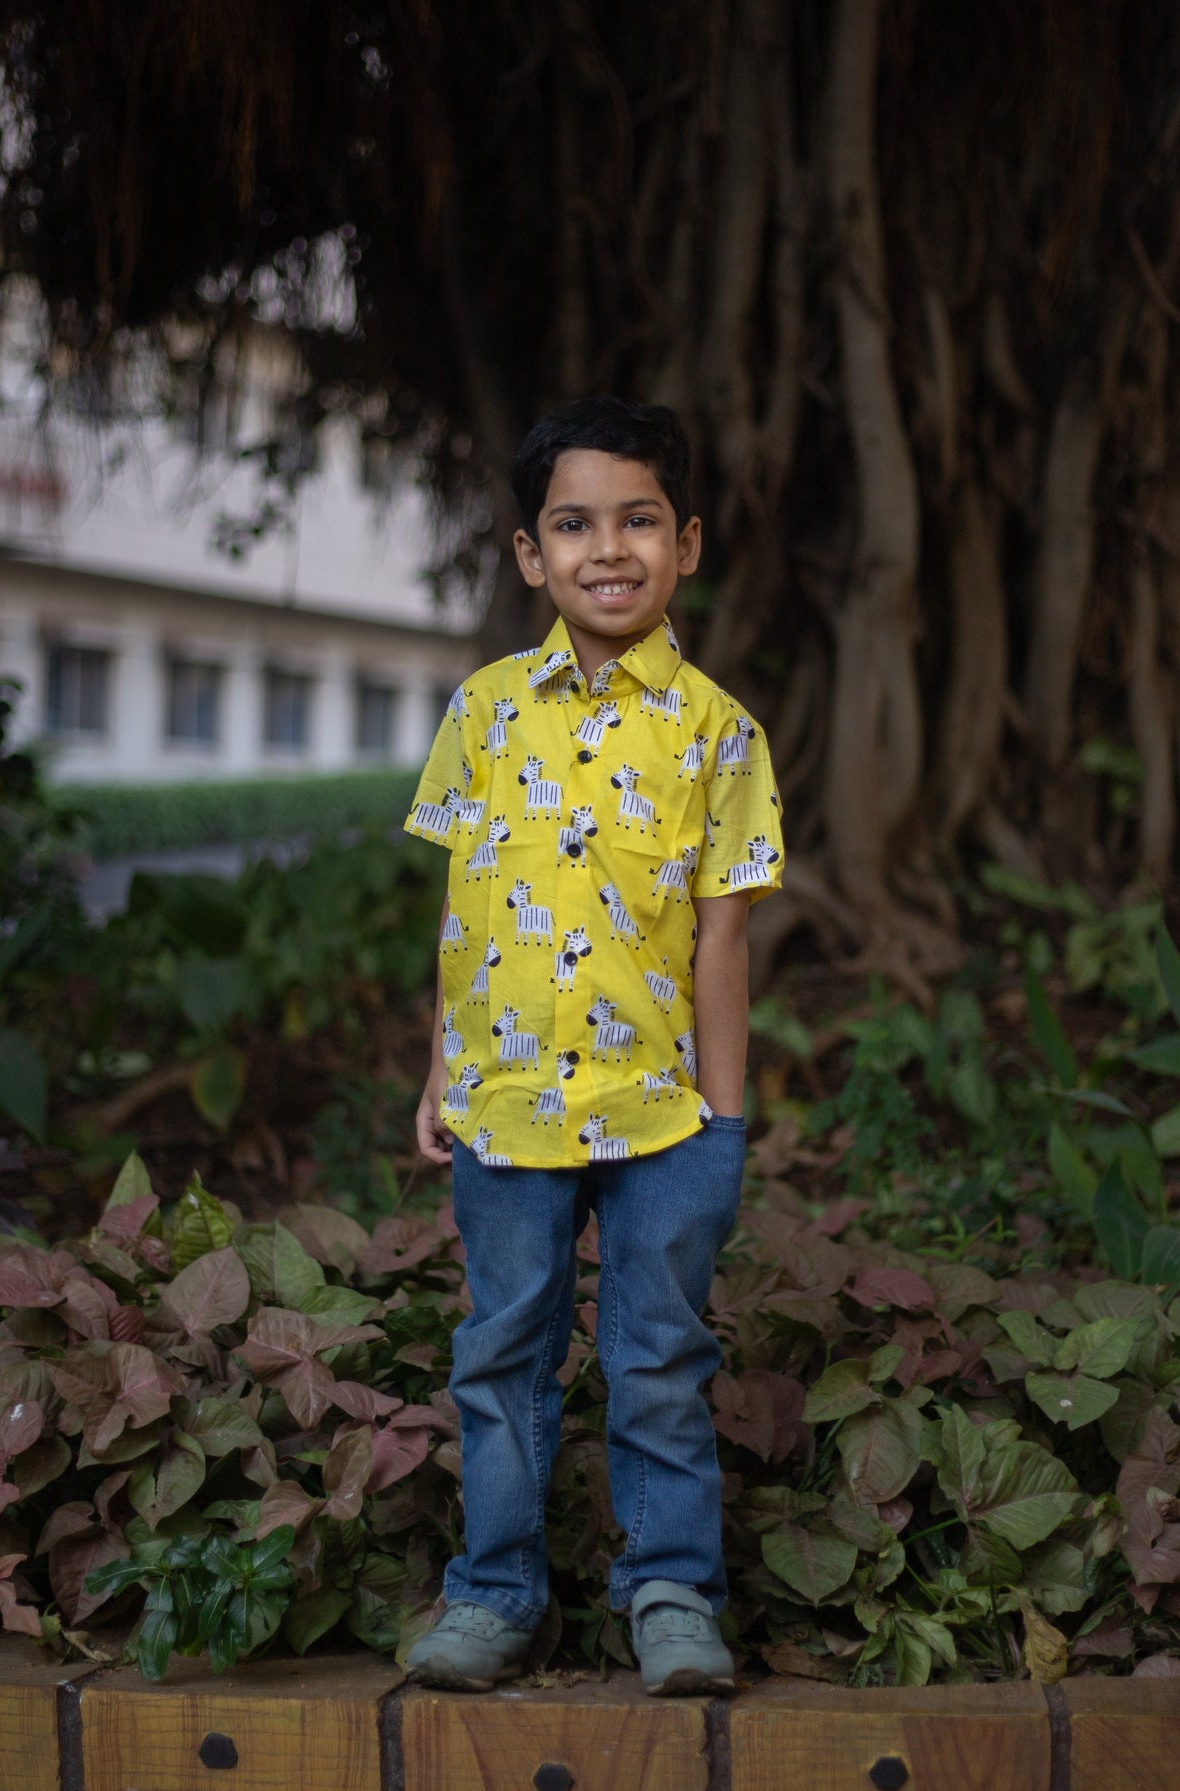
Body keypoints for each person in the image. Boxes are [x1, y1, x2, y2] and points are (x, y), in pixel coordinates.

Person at [401, 396, 784, 1696]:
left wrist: (723, 1123)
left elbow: (722, 942)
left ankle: (671, 1593)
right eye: (573, 523)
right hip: (504, 1107)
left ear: (684, 543)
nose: (605, 549)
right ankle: (496, 1595)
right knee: (501, 1357)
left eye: (636, 521)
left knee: (659, 1364)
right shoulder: (484, 711)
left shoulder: (718, 733)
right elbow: (465, 910)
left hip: (666, 1121)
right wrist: (440, 1070)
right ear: (528, 553)